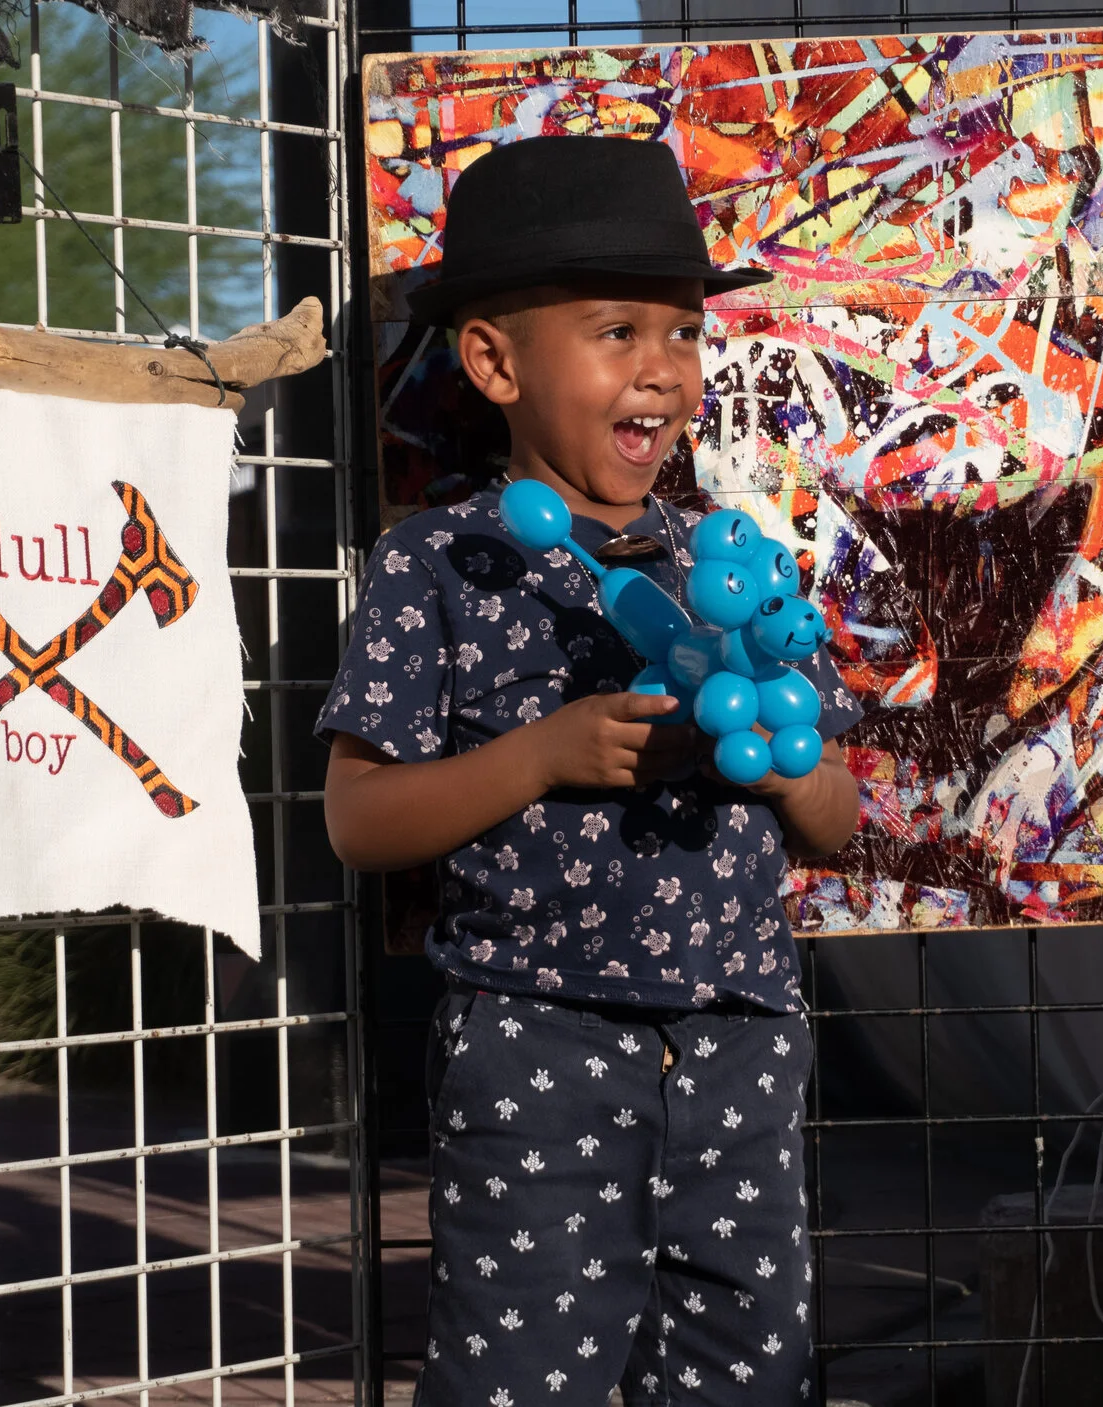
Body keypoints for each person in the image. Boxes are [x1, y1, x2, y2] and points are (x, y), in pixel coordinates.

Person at [317, 134, 863, 1405]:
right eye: (616, 331)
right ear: (497, 361)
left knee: (747, 1370)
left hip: (739, 1044)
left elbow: (834, 820)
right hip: (536, 1046)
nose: (663, 371)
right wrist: (544, 755)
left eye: (681, 333)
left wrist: (781, 764)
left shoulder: (733, 561)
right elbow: (359, 819)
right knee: (523, 1377)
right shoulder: (440, 563)